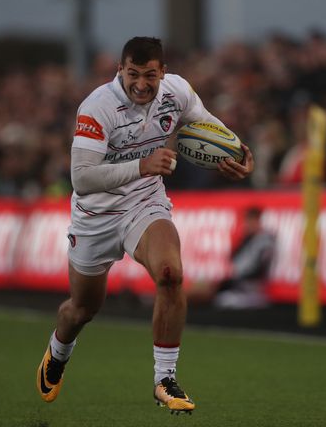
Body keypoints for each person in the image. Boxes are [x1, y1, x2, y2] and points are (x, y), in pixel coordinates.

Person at [35, 37, 253, 414]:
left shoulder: (177, 91)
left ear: (162, 72)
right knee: (82, 309)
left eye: (150, 75)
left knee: (171, 274)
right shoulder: (98, 107)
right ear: (120, 70)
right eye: (133, 74)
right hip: (95, 217)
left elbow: (204, 125)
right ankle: (58, 351)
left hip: (144, 203)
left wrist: (237, 152)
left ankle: (164, 379)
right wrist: (142, 165)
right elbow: (82, 178)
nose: (141, 83)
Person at [213, 207, 275, 309]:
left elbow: (256, 270)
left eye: (250, 220)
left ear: (258, 221)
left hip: (252, 290)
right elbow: (233, 259)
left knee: (224, 300)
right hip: (240, 287)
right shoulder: (247, 239)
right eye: (247, 220)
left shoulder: (265, 241)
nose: (247, 224)